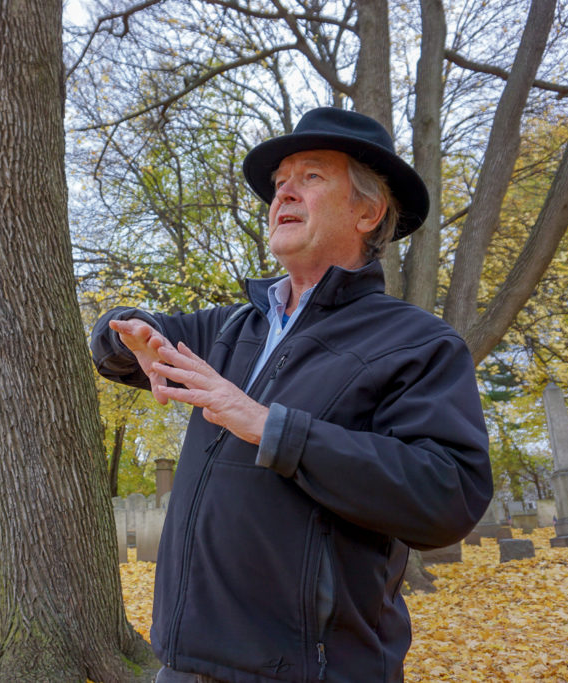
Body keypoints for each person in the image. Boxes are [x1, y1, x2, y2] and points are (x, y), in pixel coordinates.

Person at [91, 107, 492, 683]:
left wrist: (268, 426)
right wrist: (129, 334)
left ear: (367, 211)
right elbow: (122, 335)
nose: (284, 195)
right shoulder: (232, 328)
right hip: (182, 663)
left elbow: (448, 496)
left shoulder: (418, 343)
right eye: (279, 184)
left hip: (313, 670)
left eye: (310, 177)